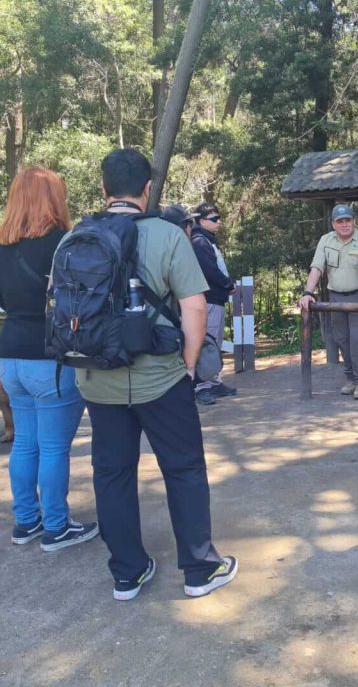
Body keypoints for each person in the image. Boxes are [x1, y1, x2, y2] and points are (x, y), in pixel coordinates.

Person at [68, 148, 237, 600]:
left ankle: (127, 572)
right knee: (183, 468)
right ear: (147, 190)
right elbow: (195, 305)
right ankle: (199, 568)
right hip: (160, 376)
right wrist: (188, 363)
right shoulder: (167, 235)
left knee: (112, 473)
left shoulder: (75, 238)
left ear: (103, 190)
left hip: (97, 379)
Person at [0, 166, 99, 552]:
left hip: (10, 355)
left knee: (25, 443)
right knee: (54, 447)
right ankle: (56, 526)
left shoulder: (0, 247)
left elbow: (0, 299)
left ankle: (26, 520)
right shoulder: (62, 242)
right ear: (54, 199)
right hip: (50, 355)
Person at [298, 204, 358, 399]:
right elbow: (317, 268)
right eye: (340, 221)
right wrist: (308, 292)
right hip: (335, 298)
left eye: (348, 220)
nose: (344, 225)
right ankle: (350, 378)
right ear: (333, 224)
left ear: (354, 221)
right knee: (342, 339)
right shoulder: (325, 240)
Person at [190, 202, 237, 405]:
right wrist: (228, 284)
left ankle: (214, 381)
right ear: (201, 221)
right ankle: (201, 386)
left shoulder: (208, 240)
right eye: (214, 219)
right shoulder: (200, 242)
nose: (219, 222)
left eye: (219, 218)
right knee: (206, 343)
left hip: (216, 299)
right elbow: (210, 271)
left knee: (215, 342)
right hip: (208, 299)